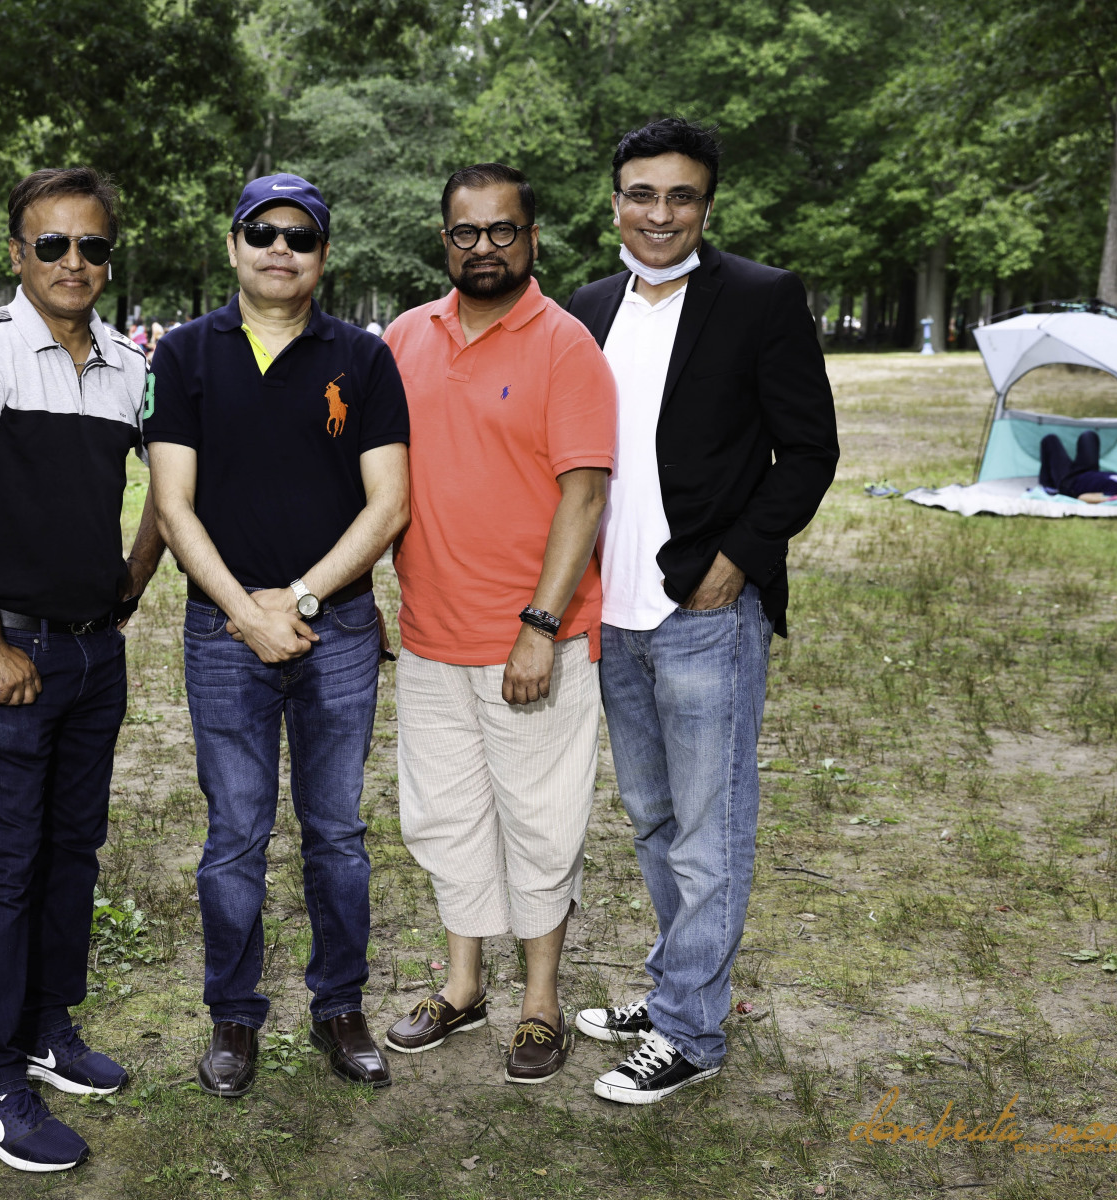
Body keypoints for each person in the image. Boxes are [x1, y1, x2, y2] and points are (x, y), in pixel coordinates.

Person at [563, 118, 839, 1105]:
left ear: (707, 206)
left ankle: (690, 1032)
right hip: (613, 613)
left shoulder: (762, 298)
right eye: (642, 194)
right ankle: (681, 988)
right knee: (652, 818)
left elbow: (809, 451)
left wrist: (737, 562)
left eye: (681, 196)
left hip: (703, 611)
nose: (660, 213)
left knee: (709, 831)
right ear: (615, 204)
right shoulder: (587, 308)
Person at [145, 173, 411, 1098]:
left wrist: (296, 599)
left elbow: (389, 504)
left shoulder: (364, 358)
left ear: (323, 255)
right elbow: (172, 506)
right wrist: (245, 610)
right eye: (262, 232)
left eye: (300, 235)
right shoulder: (183, 354)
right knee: (234, 834)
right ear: (233, 246)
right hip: (222, 633)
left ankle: (340, 1007)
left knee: (336, 831)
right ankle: (233, 1015)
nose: (280, 249)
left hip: (337, 629)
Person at [0, 166, 163, 1174]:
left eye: (93, 246)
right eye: (54, 244)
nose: (75, 262)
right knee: (3, 864)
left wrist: (132, 579)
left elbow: (174, 489)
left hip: (94, 652)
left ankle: (45, 1029)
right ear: (19, 254)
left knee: (74, 851)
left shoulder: (129, 365)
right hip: (10, 654)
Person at [379, 164, 614, 1085]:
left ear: (533, 238)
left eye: (502, 230)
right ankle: (464, 986)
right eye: (466, 232)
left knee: (540, 824)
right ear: (445, 241)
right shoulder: (406, 337)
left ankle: (540, 1004)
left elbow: (585, 495)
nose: (485, 247)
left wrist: (539, 626)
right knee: (447, 819)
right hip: (431, 635)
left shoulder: (565, 346)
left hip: (533, 641)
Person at [1038, 430, 1117, 500]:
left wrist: (1114, 498)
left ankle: (1050, 486)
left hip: (1069, 481)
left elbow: (1083, 497)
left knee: (1050, 440)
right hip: (1087, 470)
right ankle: (1052, 481)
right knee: (1089, 436)